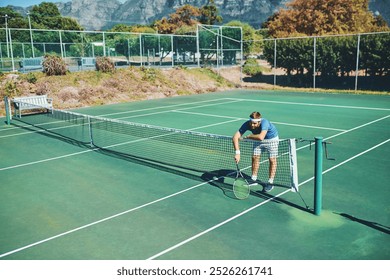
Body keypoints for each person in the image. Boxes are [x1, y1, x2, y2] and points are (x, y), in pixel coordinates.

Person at [232, 111, 279, 192]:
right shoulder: (247, 124)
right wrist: (237, 153)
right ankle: (253, 179)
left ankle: (270, 182)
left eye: (255, 123)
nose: (252, 125)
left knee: (272, 160)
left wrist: (249, 136)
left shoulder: (265, 123)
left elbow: (261, 137)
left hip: (271, 140)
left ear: (259, 121)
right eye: (251, 123)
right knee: (255, 157)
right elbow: (235, 137)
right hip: (257, 140)